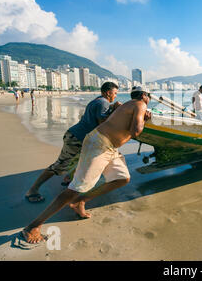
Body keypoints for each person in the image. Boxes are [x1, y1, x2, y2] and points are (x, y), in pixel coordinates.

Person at [21, 86, 152, 244]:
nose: (149, 101)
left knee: (122, 178)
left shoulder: (127, 104)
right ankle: (33, 227)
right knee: (76, 187)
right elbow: (136, 131)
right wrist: (145, 120)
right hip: (100, 144)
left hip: (109, 147)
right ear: (145, 96)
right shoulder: (140, 104)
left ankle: (80, 202)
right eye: (149, 97)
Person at [24, 82, 120, 203]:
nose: (115, 96)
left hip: (77, 136)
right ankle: (32, 190)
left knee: (79, 161)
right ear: (108, 92)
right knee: (58, 166)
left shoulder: (97, 101)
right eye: (115, 93)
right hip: (77, 139)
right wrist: (116, 109)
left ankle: (67, 178)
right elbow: (104, 124)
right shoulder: (103, 103)